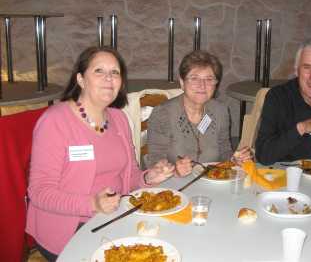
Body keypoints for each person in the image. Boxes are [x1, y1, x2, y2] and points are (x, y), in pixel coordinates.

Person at [26, 46, 190, 261]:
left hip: (114, 216)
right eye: (99, 71)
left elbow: (130, 175)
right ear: (81, 79)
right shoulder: (55, 121)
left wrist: (149, 177)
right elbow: (38, 192)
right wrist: (92, 204)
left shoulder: (119, 119)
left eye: (115, 72)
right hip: (69, 227)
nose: (109, 79)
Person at [146, 50, 251, 170]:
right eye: (194, 78)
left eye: (209, 79)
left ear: (216, 84)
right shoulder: (163, 114)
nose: (202, 85)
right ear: (182, 82)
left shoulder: (221, 111)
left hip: (211, 182)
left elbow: (224, 151)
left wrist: (234, 159)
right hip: (174, 184)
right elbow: (155, 161)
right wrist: (174, 170)